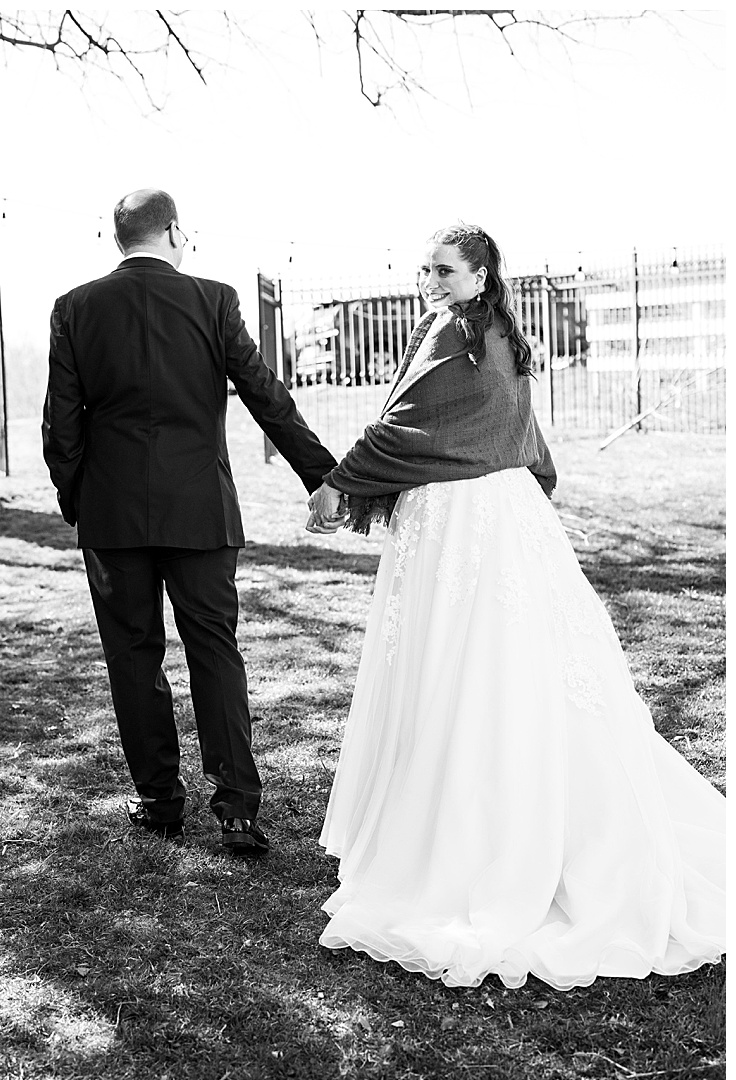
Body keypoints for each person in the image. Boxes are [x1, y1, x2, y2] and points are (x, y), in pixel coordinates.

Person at [306, 222, 725, 989]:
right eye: (424, 266)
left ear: (480, 272)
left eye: (443, 267)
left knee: (472, 668)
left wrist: (339, 480)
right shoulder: (494, 327)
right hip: (501, 514)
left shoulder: (463, 332)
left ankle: (472, 841)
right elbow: (506, 430)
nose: (428, 277)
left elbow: (411, 425)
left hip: (466, 525)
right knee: (504, 665)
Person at [42, 188, 337, 854]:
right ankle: (236, 810)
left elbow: (61, 426)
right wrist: (321, 474)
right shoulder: (215, 299)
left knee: (132, 657)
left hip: (112, 515)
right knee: (214, 651)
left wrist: (78, 504)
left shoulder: (75, 308)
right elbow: (265, 393)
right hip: (200, 507)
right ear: (175, 232)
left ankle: (160, 801)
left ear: (118, 237)